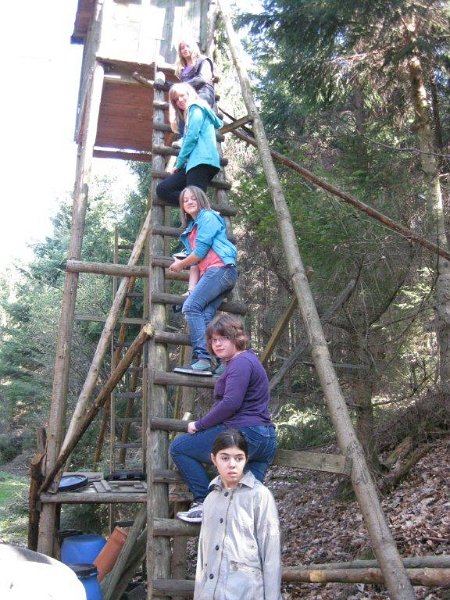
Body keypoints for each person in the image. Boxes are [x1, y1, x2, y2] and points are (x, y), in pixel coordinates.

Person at [170, 314, 278, 522]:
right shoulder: (248, 360)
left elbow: (231, 403)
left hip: (246, 435)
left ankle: (204, 503)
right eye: (213, 340)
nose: (217, 344)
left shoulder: (240, 363)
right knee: (244, 505)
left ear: (236, 338)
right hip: (266, 439)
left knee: (180, 448)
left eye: (223, 338)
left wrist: (199, 425)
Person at [194, 429, 282, 600]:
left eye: (238, 458)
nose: (232, 464)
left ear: (246, 459)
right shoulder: (210, 500)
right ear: (214, 459)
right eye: (225, 458)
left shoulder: (260, 496)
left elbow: (271, 555)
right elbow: (203, 557)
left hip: (247, 593)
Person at [168, 187, 238, 375]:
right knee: (205, 316)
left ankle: (203, 359)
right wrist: (191, 290)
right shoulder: (192, 228)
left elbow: (199, 253)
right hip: (215, 273)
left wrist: (179, 265)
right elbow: (196, 264)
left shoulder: (207, 217)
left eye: (193, 198)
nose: (189, 202)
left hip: (221, 270)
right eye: (185, 200)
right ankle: (224, 362)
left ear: (201, 200)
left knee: (190, 308)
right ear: (182, 207)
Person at [156, 83, 222, 206]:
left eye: (182, 96)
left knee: (195, 200)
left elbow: (191, 138)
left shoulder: (196, 108)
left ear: (189, 93)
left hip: (202, 161)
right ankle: (198, 208)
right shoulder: (190, 113)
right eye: (175, 100)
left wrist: (179, 163)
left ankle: (203, 211)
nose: (179, 101)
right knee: (163, 189)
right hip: (193, 163)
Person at [173, 38, 216, 141]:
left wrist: (180, 87)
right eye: (182, 48)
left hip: (204, 93)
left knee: (193, 106)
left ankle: (192, 137)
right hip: (189, 97)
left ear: (193, 47)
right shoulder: (183, 70)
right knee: (179, 106)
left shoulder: (203, 61)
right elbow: (181, 87)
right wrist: (166, 85)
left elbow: (202, 79)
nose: (185, 49)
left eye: (187, 46)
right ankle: (183, 138)